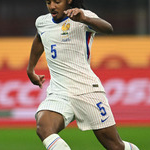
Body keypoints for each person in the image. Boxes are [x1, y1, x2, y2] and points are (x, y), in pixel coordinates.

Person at [27, 0, 139, 149]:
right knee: (43, 128)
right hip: (59, 92)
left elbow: (108, 29)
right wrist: (30, 69)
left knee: (115, 146)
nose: (52, 6)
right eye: (48, 2)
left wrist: (85, 19)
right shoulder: (42, 22)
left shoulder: (83, 16)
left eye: (57, 1)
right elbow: (39, 39)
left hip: (86, 90)